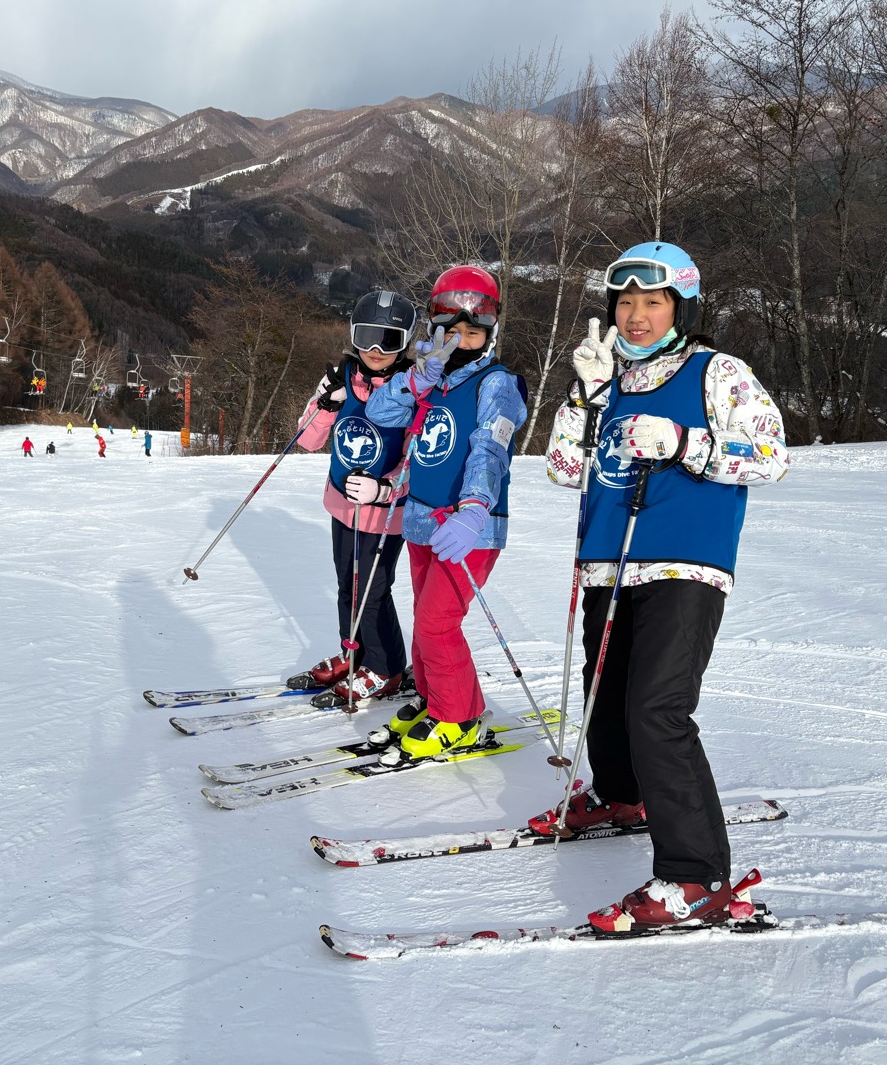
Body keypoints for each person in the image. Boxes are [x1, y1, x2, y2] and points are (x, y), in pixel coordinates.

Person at [530, 241, 789, 933]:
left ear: (681, 306)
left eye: (652, 302)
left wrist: (682, 444)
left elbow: (771, 457)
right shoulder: (609, 378)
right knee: (605, 697)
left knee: (657, 712)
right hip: (609, 564)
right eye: (625, 302)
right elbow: (561, 466)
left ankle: (694, 875)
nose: (636, 315)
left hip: (685, 564)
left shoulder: (718, 371)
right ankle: (621, 795)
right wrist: (583, 392)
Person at [363, 265, 527, 758]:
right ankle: (439, 698)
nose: (460, 342)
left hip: (467, 529)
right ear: (434, 332)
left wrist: (474, 508)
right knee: (424, 618)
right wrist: (417, 377)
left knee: (437, 623)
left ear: (489, 335)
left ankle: (458, 717)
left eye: (472, 333)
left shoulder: (497, 384)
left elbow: (489, 449)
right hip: (420, 521)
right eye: (450, 333)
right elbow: (380, 415)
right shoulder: (430, 380)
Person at [286, 290, 419, 708]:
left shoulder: (414, 389)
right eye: (367, 336)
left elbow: (421, 460)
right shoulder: (342, 376)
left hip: (385, 516)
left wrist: (384, 490)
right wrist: (325, 404)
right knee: (349, 585)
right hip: (342, 506)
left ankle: (385, 668)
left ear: (406, 343)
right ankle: (355, 653)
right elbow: (307, 439)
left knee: (373, 591)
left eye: (389, 339)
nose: (376, 350)